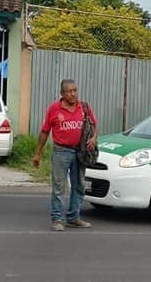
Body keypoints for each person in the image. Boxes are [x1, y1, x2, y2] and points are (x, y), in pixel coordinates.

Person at [32, 79, 98, 231]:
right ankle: (57, 219)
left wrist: (94, 138)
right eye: (69, 91)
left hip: (80, 152)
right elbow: (44, 132)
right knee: (59, 187)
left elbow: (93, 126)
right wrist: (37, 153)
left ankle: (73, 217)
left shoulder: (85, 107)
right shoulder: (54, 109)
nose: (73, 93)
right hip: (61, 152)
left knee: (79, 186)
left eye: (75, 90)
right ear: (62, 93)